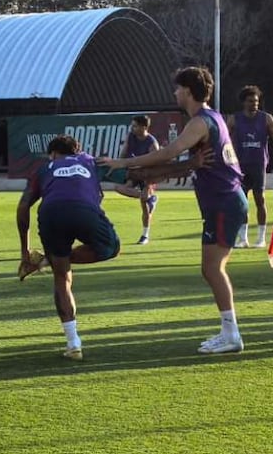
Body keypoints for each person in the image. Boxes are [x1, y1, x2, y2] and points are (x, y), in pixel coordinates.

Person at [100, 66, 249, 354]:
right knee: (213, 268)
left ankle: (231, 334)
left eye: (178, 88)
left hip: (223, 201)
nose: (175, 93)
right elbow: (180, 163)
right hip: (225, 200)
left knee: (212, 268)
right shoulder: (212, 117)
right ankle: (228, 331)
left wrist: (123, 164)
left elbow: (168, 152)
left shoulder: (200, 122)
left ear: (189, 91)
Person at [19, 135, 206, 360]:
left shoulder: (44, 168)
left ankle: (73, 343)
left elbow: (23, 207)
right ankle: (50, 259)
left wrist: (25, 252)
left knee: (62, 277)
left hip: (50, 214)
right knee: (110, 248)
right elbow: (141, 175)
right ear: (77, 151)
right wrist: (189, 165)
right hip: (84, 211)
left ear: (53, 154)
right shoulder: (90, 161)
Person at [226, 85, 273, 248]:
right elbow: (223, 141)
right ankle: (243, 238)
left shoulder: (266, 118)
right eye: (251, 101)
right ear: (243, 102)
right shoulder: (234, 119)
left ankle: (261, 238)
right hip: (239, 166)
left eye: (256, 101)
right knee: (242, 202)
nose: (254, 104)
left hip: (258, 164)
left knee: (260, 199)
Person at [114, 115, 161, 245]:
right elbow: (123, 153)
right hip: (134, 172)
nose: (132, 128)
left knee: (144, 207)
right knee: (118, 188)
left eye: (135, 126)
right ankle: (150, 199)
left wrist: (148, 182)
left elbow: (155, 164)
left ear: (144, 127)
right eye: (132, 125)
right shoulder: (131, 136)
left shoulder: (152, 143)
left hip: (148, 174)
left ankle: (145, 235)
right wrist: (118, 164)